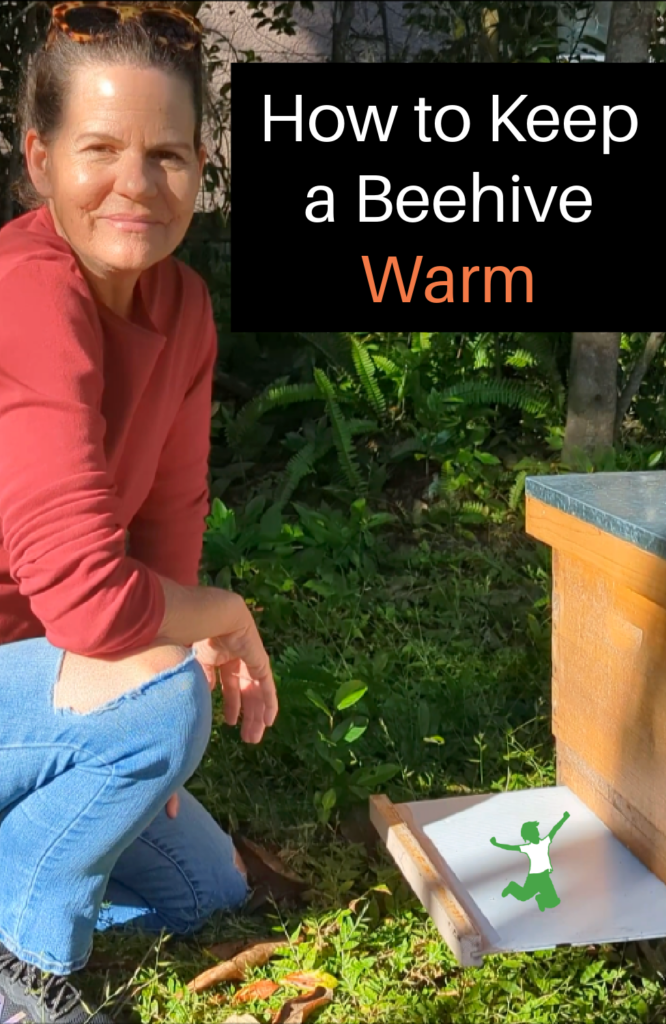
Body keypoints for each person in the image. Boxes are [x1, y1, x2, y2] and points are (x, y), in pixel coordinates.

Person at [0, 3, 279, 1021]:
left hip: (31, 690)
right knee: (157, 692)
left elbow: (166, 516)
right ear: (40, 158)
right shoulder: (24, 292)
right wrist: (209, 623)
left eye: (166, 155)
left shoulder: (181, 308)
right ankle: (22, 970)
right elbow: (85, 595)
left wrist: (169, 669)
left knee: (208, 890)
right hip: (28, 677)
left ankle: (34, 855)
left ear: (201, 166)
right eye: (100, 149)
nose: (135, 184)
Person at [490, 811, 570, 912]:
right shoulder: (528, 847)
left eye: (536, 830)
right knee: (524, 896)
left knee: (554, 901)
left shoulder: (544, 842)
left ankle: (541, 899)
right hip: (535, 877)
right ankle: (512, 887)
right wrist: (496, 843)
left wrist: (564, 818)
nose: (537, 832)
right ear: (529, 834)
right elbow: (510, 847)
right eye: (534, 830)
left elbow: (555, 829)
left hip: (544, 876)